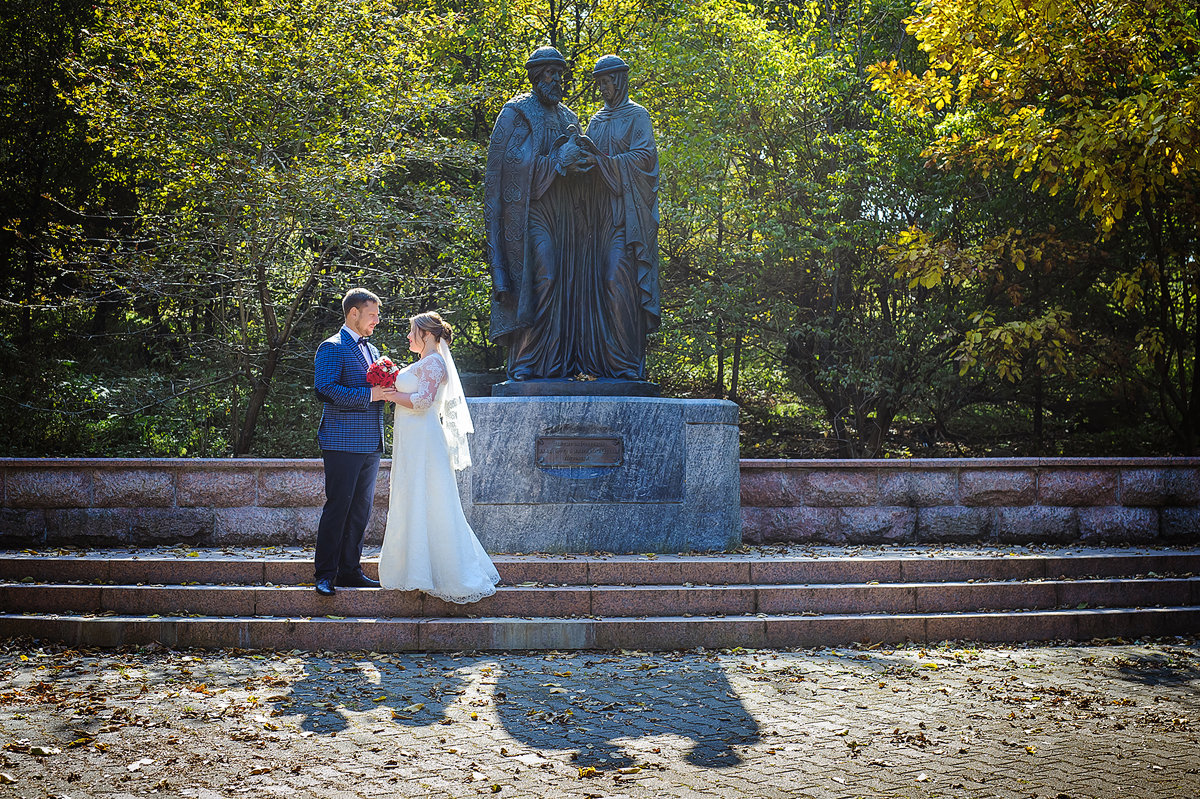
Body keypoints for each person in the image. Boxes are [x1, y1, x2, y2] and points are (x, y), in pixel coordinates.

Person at [484, 46, 594, 380]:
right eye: (550, 73)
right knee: (543, 275)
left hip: (566, 214)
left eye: (560, 74)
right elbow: (510, 166)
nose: (557, 80)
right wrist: (558, 162)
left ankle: (559, 362)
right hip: (531, 212)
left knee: (566, 281)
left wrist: (583, 164)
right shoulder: (517, 112)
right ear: (536, 77)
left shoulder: (569, 118)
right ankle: (528, 359)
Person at [378, 312, 500, 603]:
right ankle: (415, 568)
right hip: (412, 440)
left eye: (412, 331)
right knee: (413, 497)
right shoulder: (424, 362)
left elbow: (422, 401)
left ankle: (439, 572)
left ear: (428, 335)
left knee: (429, 498)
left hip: (425, 439)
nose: (408, 336)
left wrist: (389, 394)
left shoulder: (433, 362)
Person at [578, 54, 661, 379]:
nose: (602, 89)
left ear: (620, 81)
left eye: (606, 82)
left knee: (617, 280)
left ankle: (626, 363)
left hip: (624, 218)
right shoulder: (596, 120)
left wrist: (604, 161)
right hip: (595, 218)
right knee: (595, 286)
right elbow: (588, 156)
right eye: (598, 83)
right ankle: (600, 365)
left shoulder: (637, 115)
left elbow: (645, 159)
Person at [312, 288, 398, 596]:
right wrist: (370, 395)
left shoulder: (373, 351)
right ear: (354, 314)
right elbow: (324, 389)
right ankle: (325, 573)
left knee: (361, 509)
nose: (377, 320)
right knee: (339, 507)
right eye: (373, 314)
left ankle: (350, 570)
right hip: (342, 440)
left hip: (371, 442)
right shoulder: (332, 347)